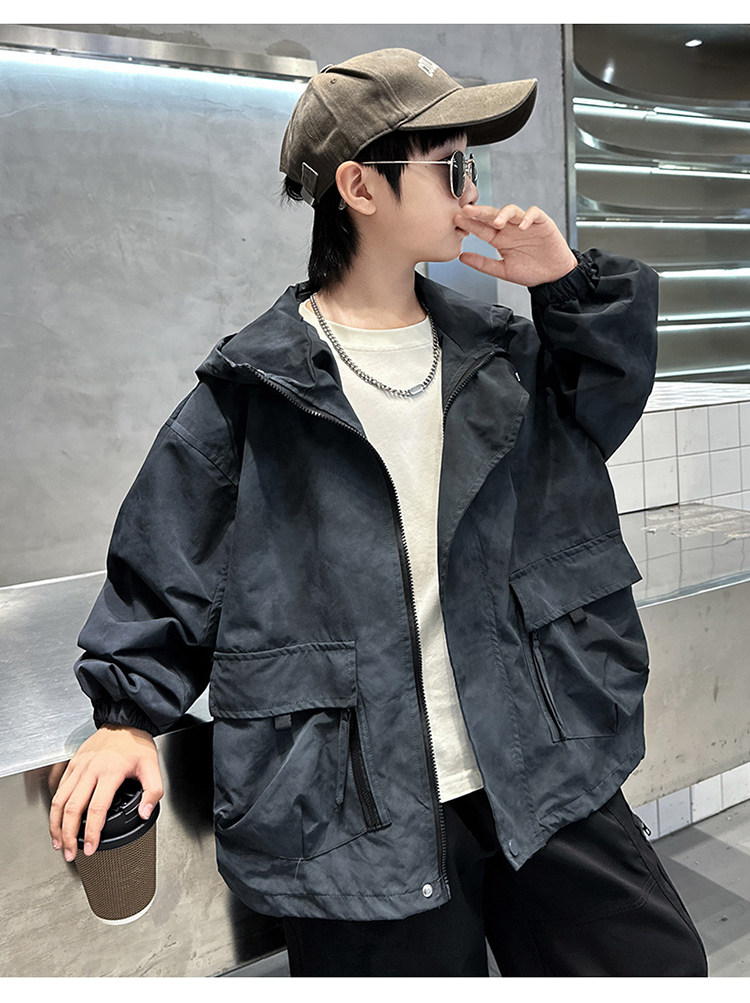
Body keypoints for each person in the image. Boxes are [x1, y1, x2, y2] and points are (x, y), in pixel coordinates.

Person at [49, 47, 708, 977]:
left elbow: (602, 406)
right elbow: (166, 563)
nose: (472, 190)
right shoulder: (253, 392)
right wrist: (124, 716)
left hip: (535, 758)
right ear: (359, 187)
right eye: (450, 166)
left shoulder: (503, 355)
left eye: (470, 166)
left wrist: (562, 284)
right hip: (359, 809)